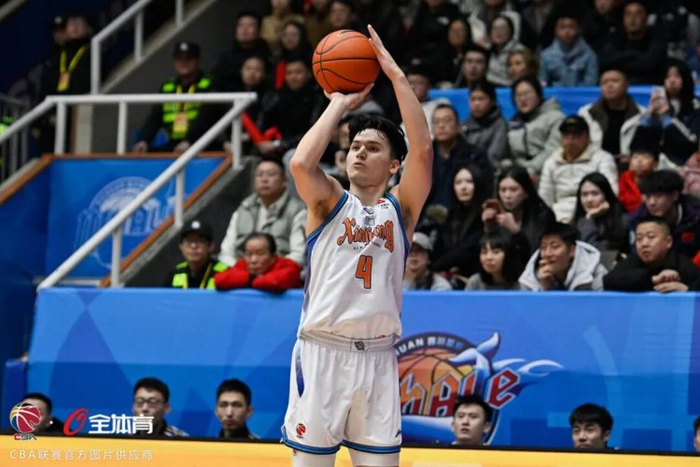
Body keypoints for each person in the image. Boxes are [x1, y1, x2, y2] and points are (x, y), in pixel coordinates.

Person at [282, 25, 433, 466]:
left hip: (379, 358)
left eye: (372, 148)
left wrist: (395, 76)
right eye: (354, 147)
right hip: (321, 350)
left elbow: (423, 150)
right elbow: (300, 162)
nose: (359, 153)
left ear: (394, 164)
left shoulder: (400, 209)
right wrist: (339, 103)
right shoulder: (329, 200)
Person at [218, 157, 306, 267]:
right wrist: (242, 270)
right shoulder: (243, 209)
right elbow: (226, 252)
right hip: (243, 271)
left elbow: (298, 255)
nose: (264, 179)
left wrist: (270, 272)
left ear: (284, 181)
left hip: (280, 273)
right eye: (259, 175)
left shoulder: (297, 211)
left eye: (271, 174)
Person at [133, 41, 215, 153]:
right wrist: (144, 140)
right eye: (179, 59)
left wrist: (189, 141)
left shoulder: (209, 84)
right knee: (144, 153)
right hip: (175, 144)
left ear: (198, 60)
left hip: (202, 143)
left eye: (188, 59)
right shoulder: (168, 87)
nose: (184, 63)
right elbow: (155, 117)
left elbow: (207, 118)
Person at [538, 115, 618, 223]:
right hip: (558, 216)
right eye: (566, 135)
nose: (570, 139)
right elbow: (544, 199)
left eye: (576, 135)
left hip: (593, 213)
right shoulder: (551, 162)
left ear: (587, 137)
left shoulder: (603, 159)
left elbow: (611, 192)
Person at [255, 54, 326, 156]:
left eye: (298, 72)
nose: (293, 77)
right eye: (289, 73)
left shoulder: (318, 98)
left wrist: (278, 144)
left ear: (309, 74)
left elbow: (314, 132)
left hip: (312, 151)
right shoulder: (278, 97)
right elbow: (263, 124)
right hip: (279, 149)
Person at [604, 216, 700, 292]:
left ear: (668, 242)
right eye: (639, 238)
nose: (644, 244)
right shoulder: (633, 260)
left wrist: (687, 291)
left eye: (651, 237)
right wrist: (652, 279)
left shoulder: (682, 264)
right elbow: (609, 281)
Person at [426, 103, 493, 210]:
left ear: (458, 125)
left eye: (447, 120)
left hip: (463, 215)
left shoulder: (474, 155)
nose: (441, 125)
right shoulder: (425, 157)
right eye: (436, 122)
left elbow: (485, 190)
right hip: (427, 215)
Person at [429, 164, 488, 283]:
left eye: (469, 182)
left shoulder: (485, 214)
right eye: (458, 182)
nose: (463, 187)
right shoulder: (450, 215)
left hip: (478, 278)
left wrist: (432, 267)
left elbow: (467, 250)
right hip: (448, 277)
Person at [638, 59, 700, 166]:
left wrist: (667, 118)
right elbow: (638, 144)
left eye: (677, 77)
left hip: (683, 163)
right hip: (652, 163)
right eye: (667, 77)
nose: (672, 81)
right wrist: (649, 119)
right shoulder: (653, 105)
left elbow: (689, 144)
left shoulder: (695, 107)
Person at [578, 67, 644, 164]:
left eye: (615, 81)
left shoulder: (642, 114)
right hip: (594, 165)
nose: (609, 85)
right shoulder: (586, 113)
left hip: (631, 166)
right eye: (604, 82)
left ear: (627, 85)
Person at [629, 170, 700, 261]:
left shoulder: (696, 216)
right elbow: (636, 254)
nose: (652, 202)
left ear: (674, 195)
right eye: (648, 197)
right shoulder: (638, 218)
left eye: (658, 196)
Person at [484, 165, 555, 254]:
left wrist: (516, 232)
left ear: (526, 192)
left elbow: (537, 254)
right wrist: (488, 229)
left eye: (513, 190)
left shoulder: (542, 216)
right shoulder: (496, 214)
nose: (507, 195)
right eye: (503, 190)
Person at [505, 74, 565, 178]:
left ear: (538, 94)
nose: (522, 98)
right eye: (518, 95)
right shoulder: (513, 122)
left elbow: (552, 150)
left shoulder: (556, 117)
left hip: (547, 173)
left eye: (527, 93)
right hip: (519, 174)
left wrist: (530, 170)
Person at [519, 222, 607, 291]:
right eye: (543, 247)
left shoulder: (594, 271)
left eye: (555, 246)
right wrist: (544, 288)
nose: (548, 254)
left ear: (571, 251)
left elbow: (601, 305)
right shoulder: (531, 275)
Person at [598, 0, 667, 85]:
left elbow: (652, 64)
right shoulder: (615, 37)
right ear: (623, 19)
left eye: (638, 14)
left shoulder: (657, 37)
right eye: (628, 14)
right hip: (619, 85)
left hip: (649, 86)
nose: (632, 19)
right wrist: (636, 56)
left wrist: (622, 59)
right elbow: (605, 61)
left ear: (646, 18)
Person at [572, 172, 629, 270]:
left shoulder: (621, 220)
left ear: (606, 195)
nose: (589, 199)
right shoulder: (577, 222)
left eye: (595, 194)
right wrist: (589, 218)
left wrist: (589, 220)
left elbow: (592, 251)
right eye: (584, 195)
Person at [214, 232, 302, 292]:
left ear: (272, 256)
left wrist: (251, 280)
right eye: (248, 254)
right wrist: (250, 278)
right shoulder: (242, 264)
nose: (253, 260)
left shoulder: (288, 265)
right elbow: (219, 280)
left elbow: (275, 282)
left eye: (260, 254)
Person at [213, 11, 273, 91]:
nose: (244, 29)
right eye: (241, 25)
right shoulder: (226, 56)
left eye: (250, 26)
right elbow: (215, 76)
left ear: (259, 31)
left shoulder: (266, 56)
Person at [539, 8, 599, 87]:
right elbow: (543, 84)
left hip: (581, 94)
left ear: (578, 29)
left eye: (571, 27)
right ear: (556, 30)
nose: (567, 31)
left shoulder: (589, 55)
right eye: (562, 27)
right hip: (555, 94)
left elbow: (591, 84)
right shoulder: (546, 56)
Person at [166, 220, 228, 289]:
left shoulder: (225, 273)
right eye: (189, 240)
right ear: (181, 246)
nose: (193, 246)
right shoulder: (175, 273)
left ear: (210, 246)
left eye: (200, 241)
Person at [461, 80, 508, 168]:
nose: (476, 103)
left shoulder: (500, 125)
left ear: (492, 101)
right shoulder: (465, 124)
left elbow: (494, 156)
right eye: (473, 99)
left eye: (481, 99)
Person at [618, 125, 661, 212]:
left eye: (645, 157)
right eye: (635, 157)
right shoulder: (622, 180)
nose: (639, 161)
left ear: (655, 165)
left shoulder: (659, 182)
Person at [485, 15, 527, 87]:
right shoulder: (486, 50)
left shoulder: (520, 51)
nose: (498, 32)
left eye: (503, 28)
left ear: (511, 31)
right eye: (495, 28)